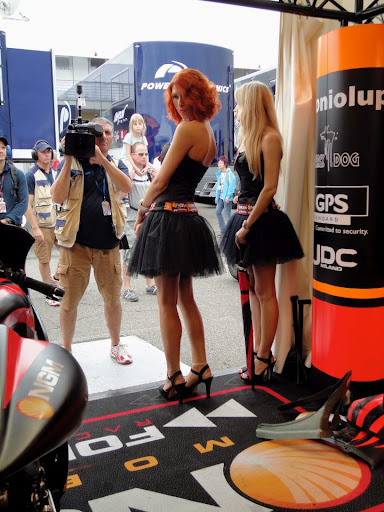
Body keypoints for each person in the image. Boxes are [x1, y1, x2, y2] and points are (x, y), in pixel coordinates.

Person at [129, 68, 223, 403]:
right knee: (185, 298)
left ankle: (173, 375)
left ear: (200, 95)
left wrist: (141, 207)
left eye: (185, 95)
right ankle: (201, 366)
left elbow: (160, 181)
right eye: (175, 97)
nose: (180, 102)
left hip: (168, 218)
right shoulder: (208, 132)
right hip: (188, 218)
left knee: (168, 301)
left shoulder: (187, 129)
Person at [221, 81, 304, 385]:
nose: (235, 110)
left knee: (265, 290)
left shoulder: (270, 138)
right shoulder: (251, 139)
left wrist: (247, 225)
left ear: (253, 104)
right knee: (255, 289)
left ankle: (263, 356)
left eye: (239, 103)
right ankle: (259, 352)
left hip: (260, 223)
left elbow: (269, 188)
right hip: (247, 219)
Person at [51, 117, 133, 363]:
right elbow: (57, 196)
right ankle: (66, 350)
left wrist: (104, 162)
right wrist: (67, 159)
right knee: (69, 299)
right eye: (98, 134)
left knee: (113, 299)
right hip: (75, 246)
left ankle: (116, 345)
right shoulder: (73, 162)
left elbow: (126, 187)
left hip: (109, 245)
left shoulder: (116, 163)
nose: (104, 138)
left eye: (107, 133)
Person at [25, 140, 61, 306]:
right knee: (44, 259)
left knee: (70, 254)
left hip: (59, 224)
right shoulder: (31, 176)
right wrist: (35, 227)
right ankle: (49, 293)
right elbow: (27, 205)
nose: (47, 154)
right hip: (42, 226)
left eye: (49, 151)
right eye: (43, 152)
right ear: (36, 155)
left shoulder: (55, 174)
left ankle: (55, 278)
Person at [121, 142, 157, 301]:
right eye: (140, 154)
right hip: (130, 217)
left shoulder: (151, 172)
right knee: (130, 253)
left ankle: (150, 284)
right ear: (132, 155)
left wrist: (157, 180)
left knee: (148, 251)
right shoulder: (126, 171)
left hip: (148, 217)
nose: (144, 157)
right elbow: (119, 195)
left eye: (146, 154)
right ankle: (127, 288)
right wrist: (129, 179)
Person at [0, 136, 28, 228]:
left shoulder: (17, 174)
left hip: (12, 227)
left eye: (3, 148)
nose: (1, 150)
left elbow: (23, 202)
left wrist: (8, 220)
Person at [215, 155, 236, 236]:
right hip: (220, 197)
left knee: (227, 214)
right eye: (218, 163)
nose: (219, 164)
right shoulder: (219, 174)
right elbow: (218, 187)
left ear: (225, 164)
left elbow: (232, 186)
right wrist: (216, 197)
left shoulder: (230, 174)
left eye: (220, 163)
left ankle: (231, 231)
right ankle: (223, 230)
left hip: (227, 198)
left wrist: (228, 196)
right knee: (218, 212)